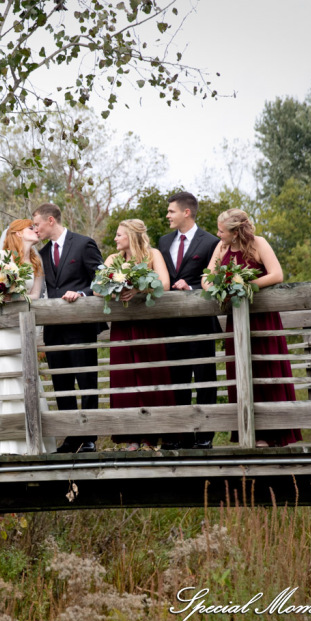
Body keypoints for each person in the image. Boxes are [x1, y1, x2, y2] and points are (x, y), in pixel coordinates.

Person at [201, 208, 300, 447]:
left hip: (262, 319)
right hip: (235, 320)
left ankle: (273, 434)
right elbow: (206, 279)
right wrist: (218, 289)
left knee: (266, 370)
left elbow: (277, 274)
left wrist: (245, 285)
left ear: (235, 232)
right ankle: (249, 433)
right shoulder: (221, 248)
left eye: (221, 231)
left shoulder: (259, 243)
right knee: (239, 372)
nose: (218, 234)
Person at [33, 202, 105, 454]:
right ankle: (71, 438)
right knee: (61, 383)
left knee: (86, 381)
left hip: (80, 325)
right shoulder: (41, 253)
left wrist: (83, 293)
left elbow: (101, 277)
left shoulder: (83, 243)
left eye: (37, 224)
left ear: (51, 220)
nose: (35, 228)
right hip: (54, 328)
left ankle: (89, 438)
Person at [101, 219, 175, 451]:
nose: (115, 239)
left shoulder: (153, 254)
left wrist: (138, 288)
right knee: (125, 379)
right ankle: (131, 437)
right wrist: (117, 287)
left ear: (131, 236)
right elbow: (96, 286)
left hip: (148, 324)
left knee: (150, 376)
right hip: (122, 326)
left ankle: (153, 436)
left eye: (119, 235)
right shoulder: (113, 260)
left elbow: (165, 283)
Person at [157, 191, 221, 450]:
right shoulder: (163, 242)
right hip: (170, 322)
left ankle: (205, 435)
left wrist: (193, 287)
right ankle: (181, 434)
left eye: (171, 211)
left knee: (205, 378)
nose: (167, 215)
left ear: (186, 212)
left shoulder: (211, 242)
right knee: (177, 379)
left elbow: (214, 279)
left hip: (200, 321)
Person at [0, 219, 57, 456]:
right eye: (30, 228)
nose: (36, 231)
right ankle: (8, 444)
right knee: (8, 376)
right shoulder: (0, 260)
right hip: (4, 329)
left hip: (23, 328)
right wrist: (2, 294)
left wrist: (18, 296)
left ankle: (34, 442)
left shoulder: (36, 262)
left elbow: (36, 295)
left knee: (28, 377)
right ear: (16, 233)